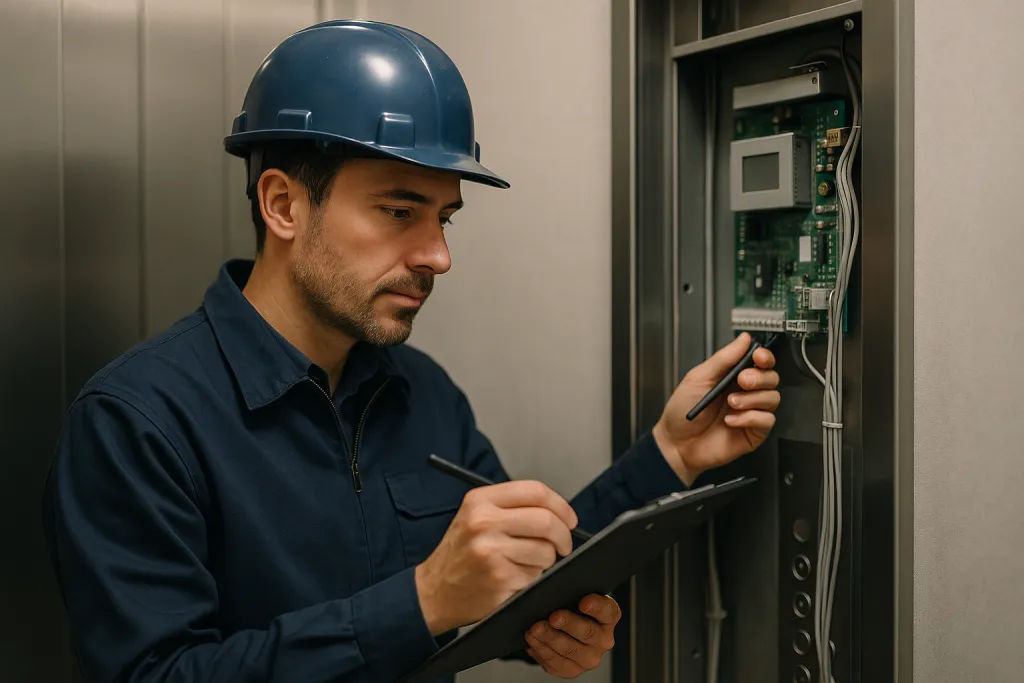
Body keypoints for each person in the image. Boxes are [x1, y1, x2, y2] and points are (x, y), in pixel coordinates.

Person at [42, 20, 780, 683]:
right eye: (399, 211)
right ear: (284, 204)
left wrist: (670, 454)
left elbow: (520, 574)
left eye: (445, 218)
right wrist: (422, 601)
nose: (438, 255)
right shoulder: (137, 422)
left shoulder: (422, 392)